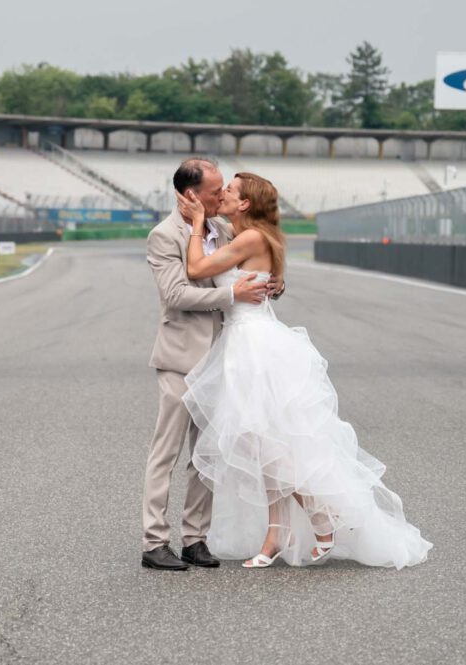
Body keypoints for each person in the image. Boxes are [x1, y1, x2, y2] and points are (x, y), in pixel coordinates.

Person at [178, 173, 432, 569]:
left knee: (268, 445)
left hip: (254, 346)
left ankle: (317, 513)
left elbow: (196, 269)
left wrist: (195, 225)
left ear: (244, 204)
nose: (223, 192)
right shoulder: (250, 234)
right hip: (248, 340)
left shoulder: (251, 238)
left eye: (231, 190)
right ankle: (277, 533)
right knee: (263, 444)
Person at [141, 158, 284, 571]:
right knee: (165, 453)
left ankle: (195, 539)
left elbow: (249, 266)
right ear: (191, 195)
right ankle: (154, 541)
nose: (222, 196)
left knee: (206, 455)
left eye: (225, 189)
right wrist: (233, 297)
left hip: (225, 357)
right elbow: (175, 294)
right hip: (180, 357)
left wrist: (271, 283)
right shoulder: (164, 235)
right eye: (214, 191)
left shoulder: (223, 229)